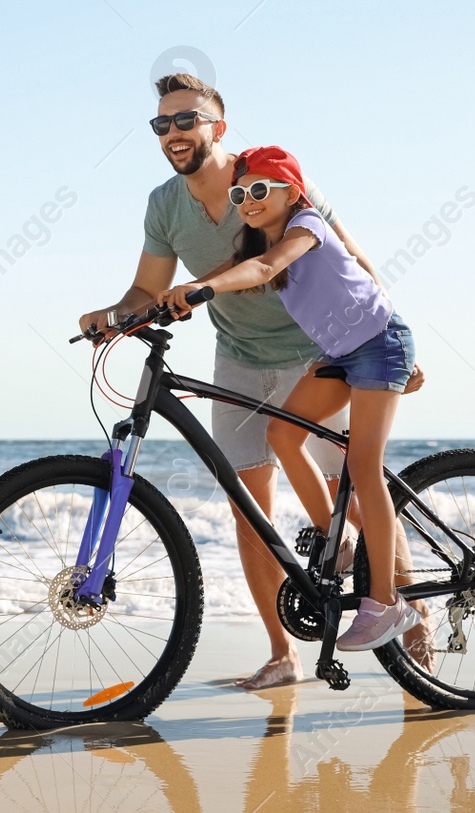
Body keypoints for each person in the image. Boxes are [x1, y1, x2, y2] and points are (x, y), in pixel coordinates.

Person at [78, 73, 424, 687]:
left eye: (187, 120)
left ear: (218, 127)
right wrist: (113, 315)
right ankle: (282, 654)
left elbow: (347, 253)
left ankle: (413, 621)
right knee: (248, 508)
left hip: (320, 348)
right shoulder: (165, 204)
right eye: (162, 124)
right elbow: (147, 289)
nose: (174, 133)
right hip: (237, 354)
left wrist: (392, 333)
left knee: (354, 478)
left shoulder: (272, 178)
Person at [159, 145, 422, 651]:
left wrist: (199, 287)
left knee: (363, 466)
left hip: (378, 345)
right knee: (282, 433)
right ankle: (338, 541)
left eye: (260, 189)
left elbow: (262, 272)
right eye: (240, 193)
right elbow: (249, 270)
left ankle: (386, 604)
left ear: (293, 192)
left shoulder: (307, 228)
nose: (248, 200)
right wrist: (166, 303)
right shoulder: (260, 245)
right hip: (342, 353)